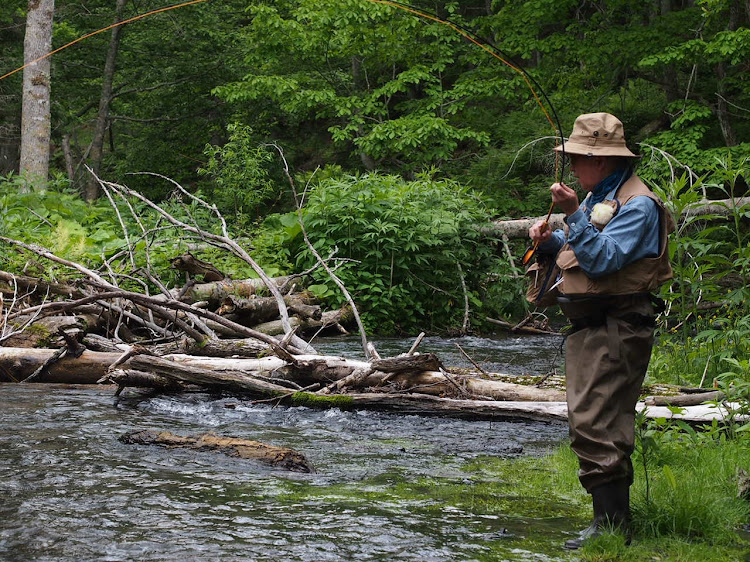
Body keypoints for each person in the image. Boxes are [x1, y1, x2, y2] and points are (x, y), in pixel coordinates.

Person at [527, 112, 675, 549]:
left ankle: (612, 528)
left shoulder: (639, 205)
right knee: (592, 422)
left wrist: (572, 212)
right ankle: (609, 524)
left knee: (598, 423)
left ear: (602, 160)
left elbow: (607, 259)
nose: (572, 167)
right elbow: (582, 252)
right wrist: (551, 241)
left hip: (616, 328)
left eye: (578, 158)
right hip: (594, 328)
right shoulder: (600, 196)